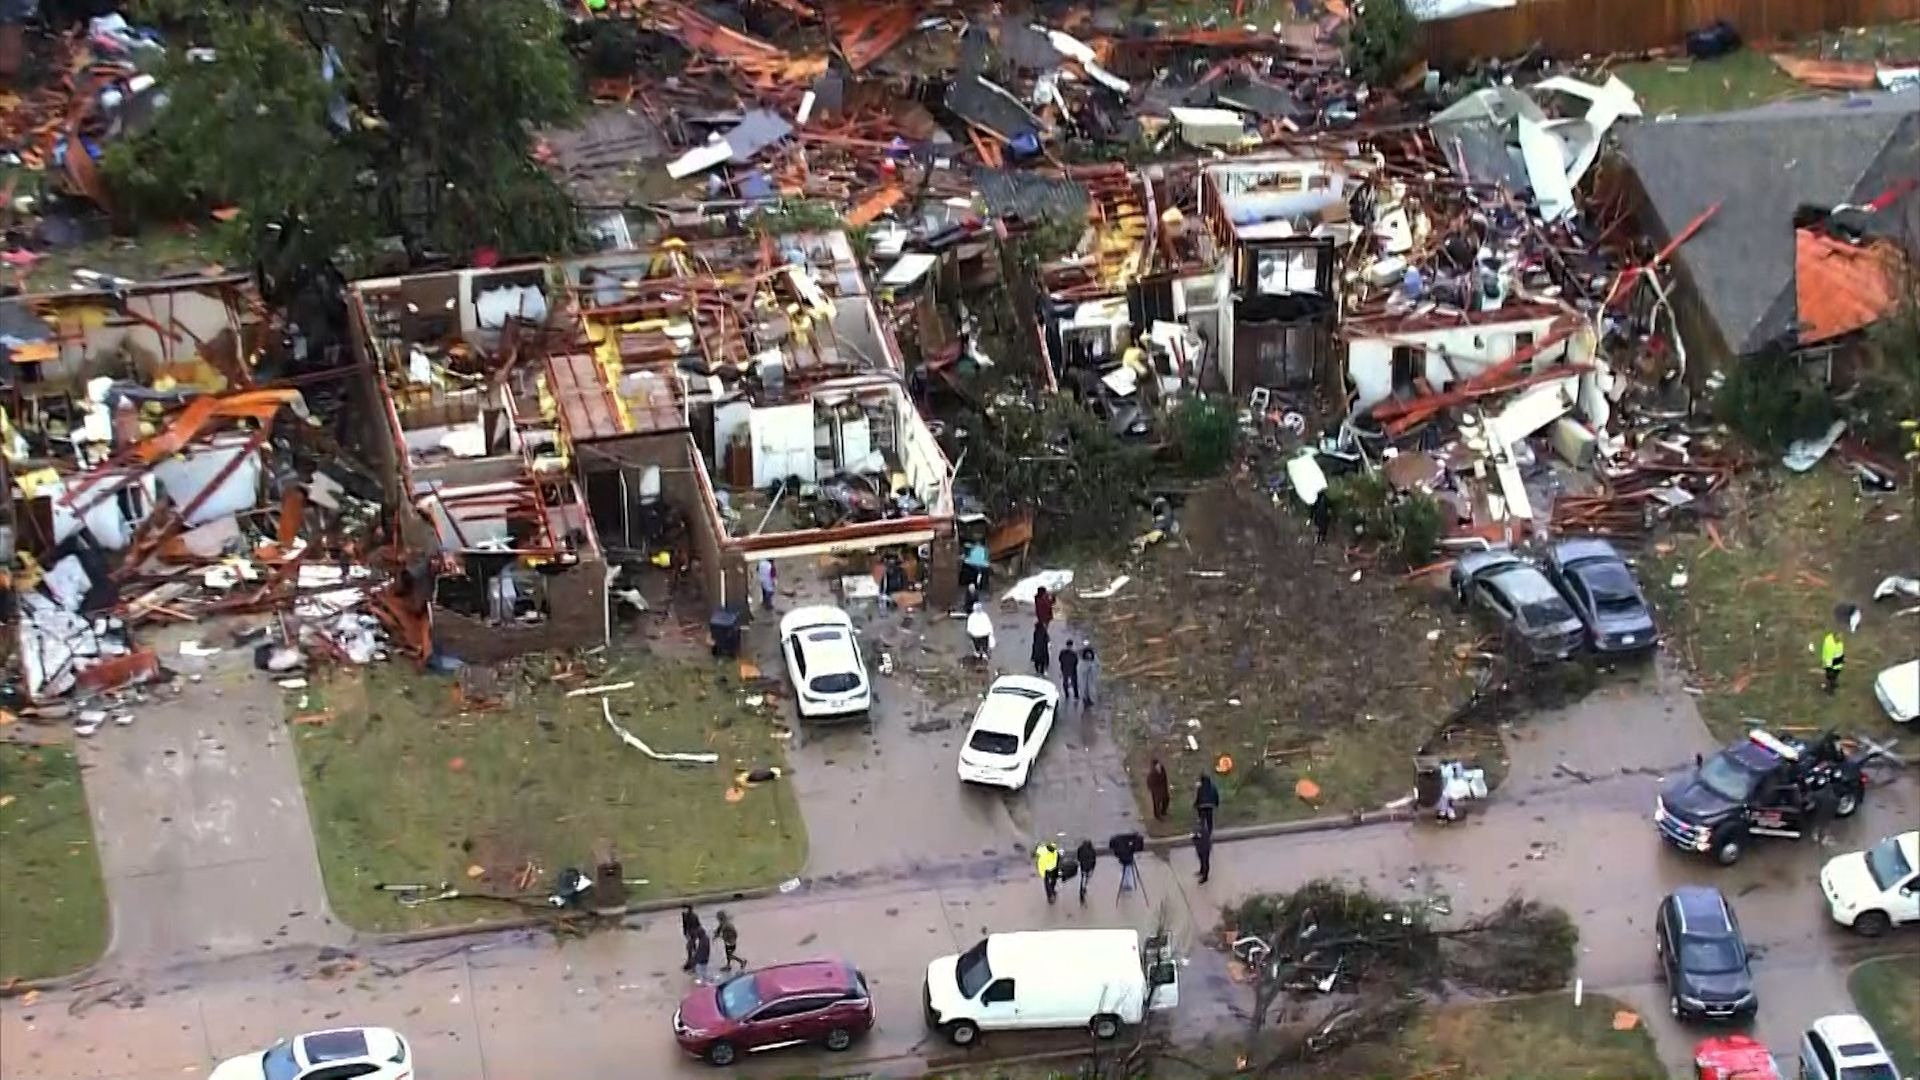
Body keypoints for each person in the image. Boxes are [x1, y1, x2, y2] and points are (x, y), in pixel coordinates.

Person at [1109, 831, 1145, 897]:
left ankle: (1126, 883)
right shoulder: (1131, 842)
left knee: (1126, 868)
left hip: (1124, 855)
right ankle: (1127, 884)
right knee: (1127, 868)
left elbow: (1117, 852)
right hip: (1125, 856)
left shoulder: (1118, 840)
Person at [1820, 628, 1846, 693]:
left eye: (1841, 636)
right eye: (1839, 637)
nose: (1841, 638)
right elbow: (1828, 658)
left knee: (1835, 676)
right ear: (1835, 636)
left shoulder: (1838, 641)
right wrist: (1829, 669)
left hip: (1837, 664)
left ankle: (1833, 684)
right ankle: (1829, 690)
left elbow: (1840, 650)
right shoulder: (1830, 644)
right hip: (1830, 666)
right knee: (1830, 677)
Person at [1074, 837, 1099, 905]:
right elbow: (1094, 859)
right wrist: (1093, 867)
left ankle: (1082, 889)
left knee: (1083, 877)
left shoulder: (1080, 849)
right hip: (1090, 866)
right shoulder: (1092, 850)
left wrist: (1080, 862)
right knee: (1087, 877)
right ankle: (1084, 888)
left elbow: (1078, 857)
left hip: (1083, 866)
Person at [680, 905, 700, 972]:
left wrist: (696, 934)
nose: (684, 910)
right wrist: (685, 932)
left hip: (693, 933)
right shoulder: (684, 915)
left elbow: (698, 925)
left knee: (690, 948)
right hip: (689, 933)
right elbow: (684, 924)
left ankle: (692, 964)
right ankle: (692, 963)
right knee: (691, 948)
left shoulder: (694, 916)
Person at [1079, 641, 1099, 707]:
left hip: (1090, 677)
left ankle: (1089, 699)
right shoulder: (1083, 661)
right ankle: (1085, 699)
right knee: (1085, 688)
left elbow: (1097, 665)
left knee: (1090, 688)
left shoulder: (1092, 660)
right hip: (1085, 677)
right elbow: (1081, 669)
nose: (1088, 656)